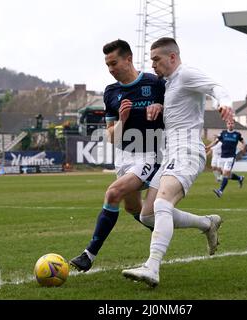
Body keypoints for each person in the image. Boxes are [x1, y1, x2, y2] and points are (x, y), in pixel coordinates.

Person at [121, 37, 234, 287]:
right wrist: (159, 107)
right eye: (151, 61)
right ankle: (207, 223)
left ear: (172, 57)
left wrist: (224, 104)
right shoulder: (170, 83)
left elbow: (217, 88)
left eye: (156, 60)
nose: (153, 65)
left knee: (162, 203)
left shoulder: (186, 74)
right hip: (171, 155)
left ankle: (152, 267)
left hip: (186, 152)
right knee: (148, 215)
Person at [69, 39, 166, 272]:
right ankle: (176, 227)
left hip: (149, 155)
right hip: (124, 157)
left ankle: (88, 255)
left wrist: (161, 108)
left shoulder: (155, 84)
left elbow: (174, 111)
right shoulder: (111, 92)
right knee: (136, 211)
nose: (111, 69)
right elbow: (112, 136)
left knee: (113, 193)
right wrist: (122, 120)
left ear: (128, 59)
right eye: (107, 65)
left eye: (114, 63)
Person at [212, 120, 246, 198]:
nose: (230, 125)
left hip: (231, 157)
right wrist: (208, 147)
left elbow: (243, 141)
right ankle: (239, 178)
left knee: (225, 173)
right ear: (227, 125)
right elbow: (216, 141)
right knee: (226, 174)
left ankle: (220, 191)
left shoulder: (237, 134)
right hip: (222, 157)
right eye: (229, 123)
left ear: (234, 125)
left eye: (232, 123)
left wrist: (243, 147)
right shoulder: (223, 133)